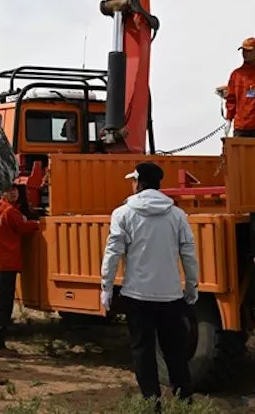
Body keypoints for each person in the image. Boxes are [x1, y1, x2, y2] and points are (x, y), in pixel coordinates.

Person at [101, 162, 198, 408]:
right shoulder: (176, 215)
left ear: (139, 182)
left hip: (137, 296)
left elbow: (113, 253)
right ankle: (185, 401)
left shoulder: (123, 214)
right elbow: (188, 253)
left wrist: (106, 288)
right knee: (175, 352)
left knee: (143, 352)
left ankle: (151, 404)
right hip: (171, 296)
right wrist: (191, 286)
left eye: (134, 180)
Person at [0, 185, 40, 357]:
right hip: (6, 264)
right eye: (10, 191)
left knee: (0, 305)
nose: (14, 193)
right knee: (3, 306)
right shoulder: (10, 212)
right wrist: (37, 223)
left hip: (0, 264)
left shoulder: (1, 210)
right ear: (3, 193)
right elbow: (25, 228)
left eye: (16, 191)